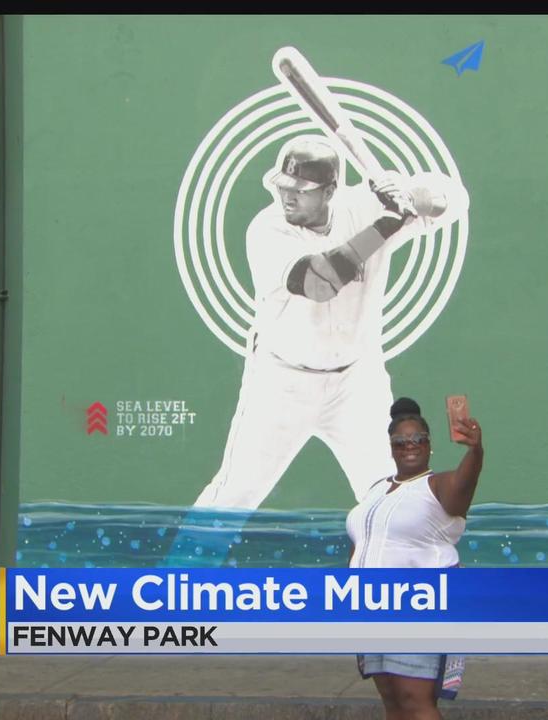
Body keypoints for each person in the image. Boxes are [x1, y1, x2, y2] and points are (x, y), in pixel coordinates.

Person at [193, 136, 456, 511]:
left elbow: (452, 200)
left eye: (301, 190)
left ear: (331, 190)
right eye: (283, 187)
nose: (288, 197)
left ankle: (401, 571)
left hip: (356, 383)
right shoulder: (266, 230)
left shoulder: (364, 206)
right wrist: (386, 225)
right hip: (283, 383)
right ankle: (180, 571)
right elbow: (321, 282)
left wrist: (413, 196)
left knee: (392, 499)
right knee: (233, 497)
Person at [347, 397, 483, 718]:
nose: (411, 445)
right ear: (392, 448)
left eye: (418, 439)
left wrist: (475, 452)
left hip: (416, 605)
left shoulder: (437, 486)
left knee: (415, 700)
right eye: (402, 441)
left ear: (429, 445)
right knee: (392, 700)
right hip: (372, 606)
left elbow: (465, 483)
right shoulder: (377, 489)